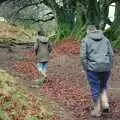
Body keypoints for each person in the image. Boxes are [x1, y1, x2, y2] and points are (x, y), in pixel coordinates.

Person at [80, 25, 113, 117]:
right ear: (96, 30)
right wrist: (109, 65)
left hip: (93, 68)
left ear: (88, 31)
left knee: (95, 88)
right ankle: (105, 104)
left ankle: (97, 110)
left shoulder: (85, 40)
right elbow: (111, 54)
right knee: (103, 86)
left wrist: (86, 68)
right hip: (106, 67)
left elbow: (83, 57)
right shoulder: (105, 39)